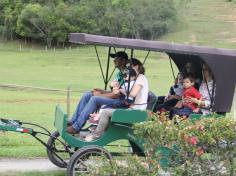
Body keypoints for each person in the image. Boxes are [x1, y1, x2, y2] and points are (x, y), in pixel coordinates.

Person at [85, 58, 149, 141]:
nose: (128, 69)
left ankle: (95, 136)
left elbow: (133, 94)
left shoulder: (141, 78)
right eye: (127, 67)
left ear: (136, 66)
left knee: (105, 112)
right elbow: (123, 91)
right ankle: (99, 127)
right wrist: (116, 88)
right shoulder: (133, 78)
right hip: (131, 108)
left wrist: (120, 90)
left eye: (130, 67)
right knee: (105, 107)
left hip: (136, 111)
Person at [67, 51, 128, 134]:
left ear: (123, 61)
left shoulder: (127, 74)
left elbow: (117, 95)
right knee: (88, 94)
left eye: (117, 59)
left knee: (95, 99)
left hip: (122, 102)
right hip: (117, 98)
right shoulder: (119, 74)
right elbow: (115, 91)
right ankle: (73, 121)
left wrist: (101, 95)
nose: (114, 61)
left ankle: (76, 127)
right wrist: (102, 91)